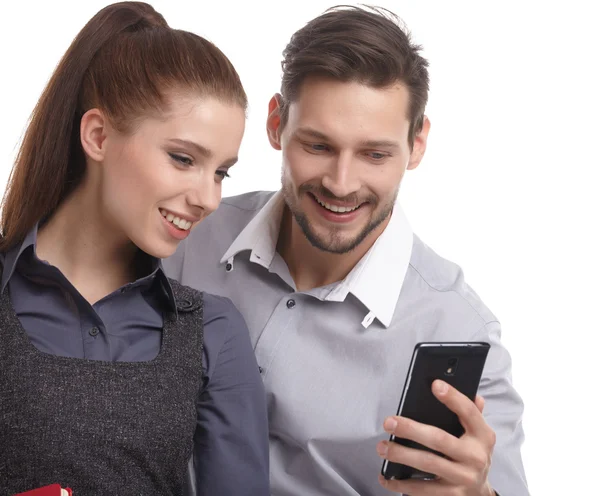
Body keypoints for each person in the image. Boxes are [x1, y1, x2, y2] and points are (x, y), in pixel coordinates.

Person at [164, 5, 529, 496]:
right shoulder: (185, 234)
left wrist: (479, 493)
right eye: (317, 146)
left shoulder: (458, 328)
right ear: (276, 124)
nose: (341, 184)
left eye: (374, 154)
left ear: (417, 144)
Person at [0, 2, 269, 495]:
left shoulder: (213, 332)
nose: (209, 198)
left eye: (221, 172)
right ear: (98, 136)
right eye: (183, 158)